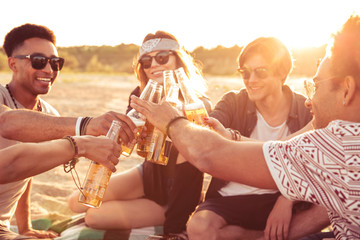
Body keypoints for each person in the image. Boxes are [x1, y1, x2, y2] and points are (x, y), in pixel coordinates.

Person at [130, 14, 360, 240]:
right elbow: (285, 150)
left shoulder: (337, 144)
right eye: (245, 72)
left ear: (347, 89)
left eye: (316, 86)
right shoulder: (340, 141)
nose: (311, 100)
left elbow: (209, 154)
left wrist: (171, 121)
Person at [68, 31, 211, 239]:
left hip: (176, 191)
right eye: (146, 61)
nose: (154, 65)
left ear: (178, 59)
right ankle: (140, 205)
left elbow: (199, 157)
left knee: (94, 217)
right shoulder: (139, 94)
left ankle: (179, 212)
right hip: (148, 175)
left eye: (162, 57)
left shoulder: (196, 103)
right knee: (76, 202)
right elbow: (131, 143)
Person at [0, 23, 135, 240]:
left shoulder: (49, 115)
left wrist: (25, 228)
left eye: (55, 62)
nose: (49, 70)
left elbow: (26, 170)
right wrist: (84, 128)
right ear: (13, 64)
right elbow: (7, 123)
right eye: (38, 61)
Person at [186, 37, 329, 240]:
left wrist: (286, 199)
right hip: (233, 196)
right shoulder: (233, 102)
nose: (251, 80)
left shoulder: (305, 108)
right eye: (245, 72)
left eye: (260, 72)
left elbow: (318, 163)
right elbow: (205, 136)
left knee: (333, 203)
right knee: (198, 227)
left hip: (284, 195)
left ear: (282, 74)